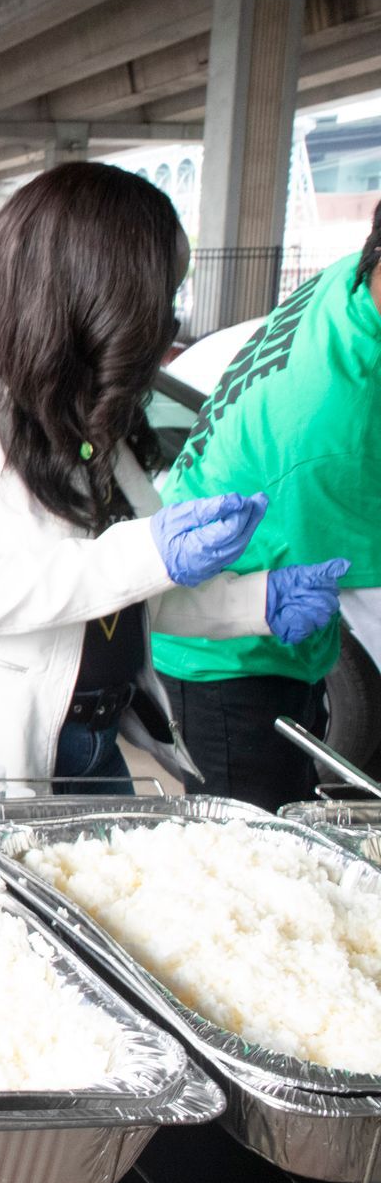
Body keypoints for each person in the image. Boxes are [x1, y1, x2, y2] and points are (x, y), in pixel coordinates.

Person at [0, 163, 346, 807]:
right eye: (158, 299)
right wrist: (145, 551)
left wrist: (255, 602)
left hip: (77, 744)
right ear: (86, 292)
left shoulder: (77, 408)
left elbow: (122, 595)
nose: (166, 322)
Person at [151, 204, 381, 812]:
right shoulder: (338, 429)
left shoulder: (349, 281)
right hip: (225, 659)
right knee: (251, 854)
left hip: (256, 615)